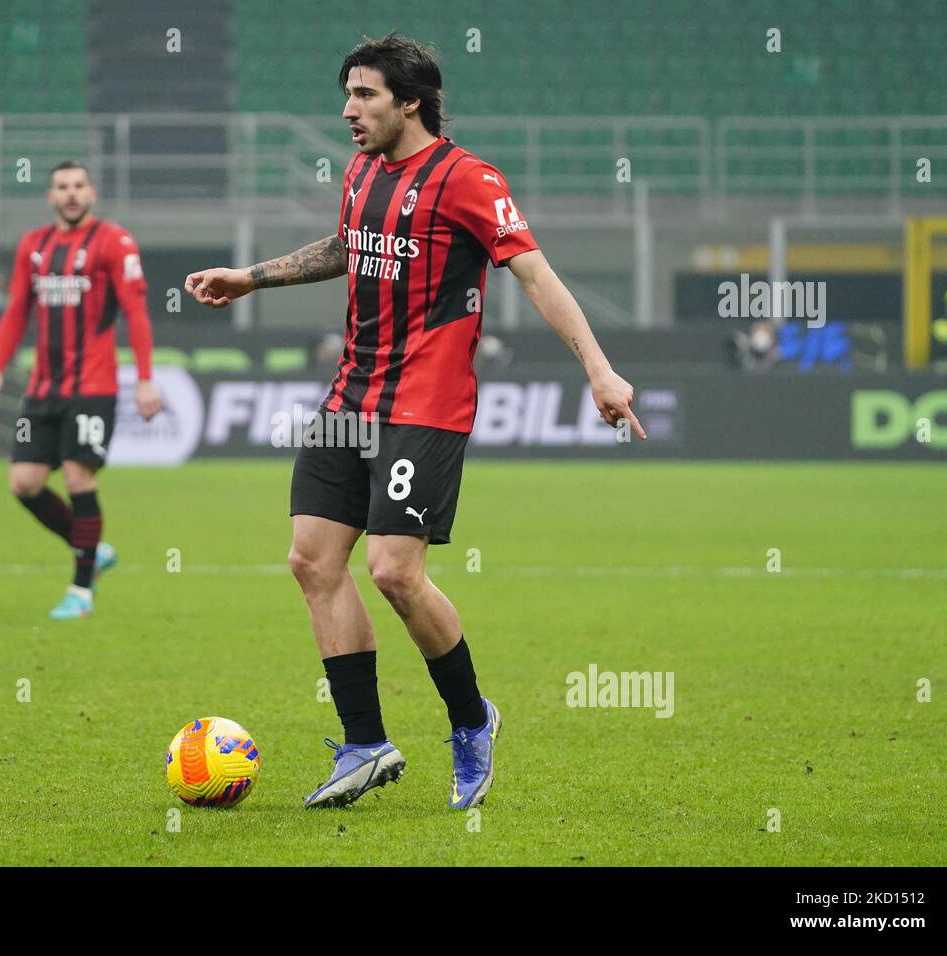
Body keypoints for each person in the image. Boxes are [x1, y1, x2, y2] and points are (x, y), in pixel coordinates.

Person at [184, 34, 644, 809]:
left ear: (411, 101)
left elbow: (534, 272)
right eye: (347, 92)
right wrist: (252, 278)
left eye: (364, 94)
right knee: (311, 561)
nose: (347, 109)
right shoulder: (361, 169)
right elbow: (350, 244)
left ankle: (471, 720)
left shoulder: (470, 180)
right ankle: (365, 744)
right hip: (348, 397)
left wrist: (599, 369)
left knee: (395, 571)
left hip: (424, 406)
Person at [0, 161, 163, 620]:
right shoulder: (33, 246)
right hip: (43, 389)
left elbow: (136, 312)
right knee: (24, 483)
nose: (71, 194)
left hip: (93, 387)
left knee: (80, 477)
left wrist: (144, 377)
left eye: (79, 185)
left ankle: (81, 591)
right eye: (62, 187)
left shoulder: (114, 242)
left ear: (92, 192)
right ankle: (93, 550)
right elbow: (17, 309)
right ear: (50, 196)